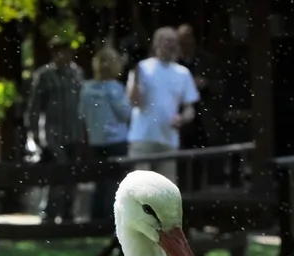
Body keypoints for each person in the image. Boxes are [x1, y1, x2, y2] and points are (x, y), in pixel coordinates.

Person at [126, 26, 200, 184]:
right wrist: (137, 80)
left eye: (173, 42)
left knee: (166, 192)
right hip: (142, 138)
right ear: (156, 44)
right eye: (166, 41)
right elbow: (134, 102)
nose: (170, 46)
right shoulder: (142, 68)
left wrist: (182, 118)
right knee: (140, 190)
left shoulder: (183, 73)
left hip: (168, 139)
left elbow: (190, 109)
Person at [25, 35, 85, 223]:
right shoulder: (44, 76)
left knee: (72, 175)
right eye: (60, 51)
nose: (64, 55)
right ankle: (50, 213)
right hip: (53, 134)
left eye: (67, 51)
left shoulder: (77, 73)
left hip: (75, 132)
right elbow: (34, 107)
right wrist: (34, 134)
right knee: (56, 175)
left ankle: (68, 213)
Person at [78, 45, 132, 222]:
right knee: (116, 183)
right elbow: (125, 113)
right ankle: (112, 219)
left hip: (96, 140)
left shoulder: (86, 88)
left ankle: (96, 216)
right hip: (116, 141)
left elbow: (82, 114)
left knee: (100, 181)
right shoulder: (115, 88)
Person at [175, 24, 218, 150]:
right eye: (182, 40)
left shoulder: (207, 60)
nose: (186, 43)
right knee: (182, 160)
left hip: (204, 119)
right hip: (180, 119)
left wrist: (206, 83)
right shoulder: (173, 64)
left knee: (204, 159)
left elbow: (221, 86)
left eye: (189, 38)